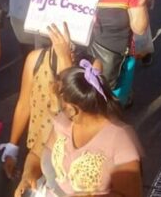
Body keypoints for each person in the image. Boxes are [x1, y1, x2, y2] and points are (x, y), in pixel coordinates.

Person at [14, 61, 143, 197]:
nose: (49, 107)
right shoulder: (62, 122)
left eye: (54, 103)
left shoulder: (119, 140)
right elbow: (35, 155)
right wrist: (28, 176)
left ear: (72, 110)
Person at [0, 23, 74, 179]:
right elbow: (24, 104)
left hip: (70, 157)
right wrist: (12, 146)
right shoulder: (36, 59)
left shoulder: (91, 66)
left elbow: (71, 107)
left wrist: (66, 59)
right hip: (36, 152)